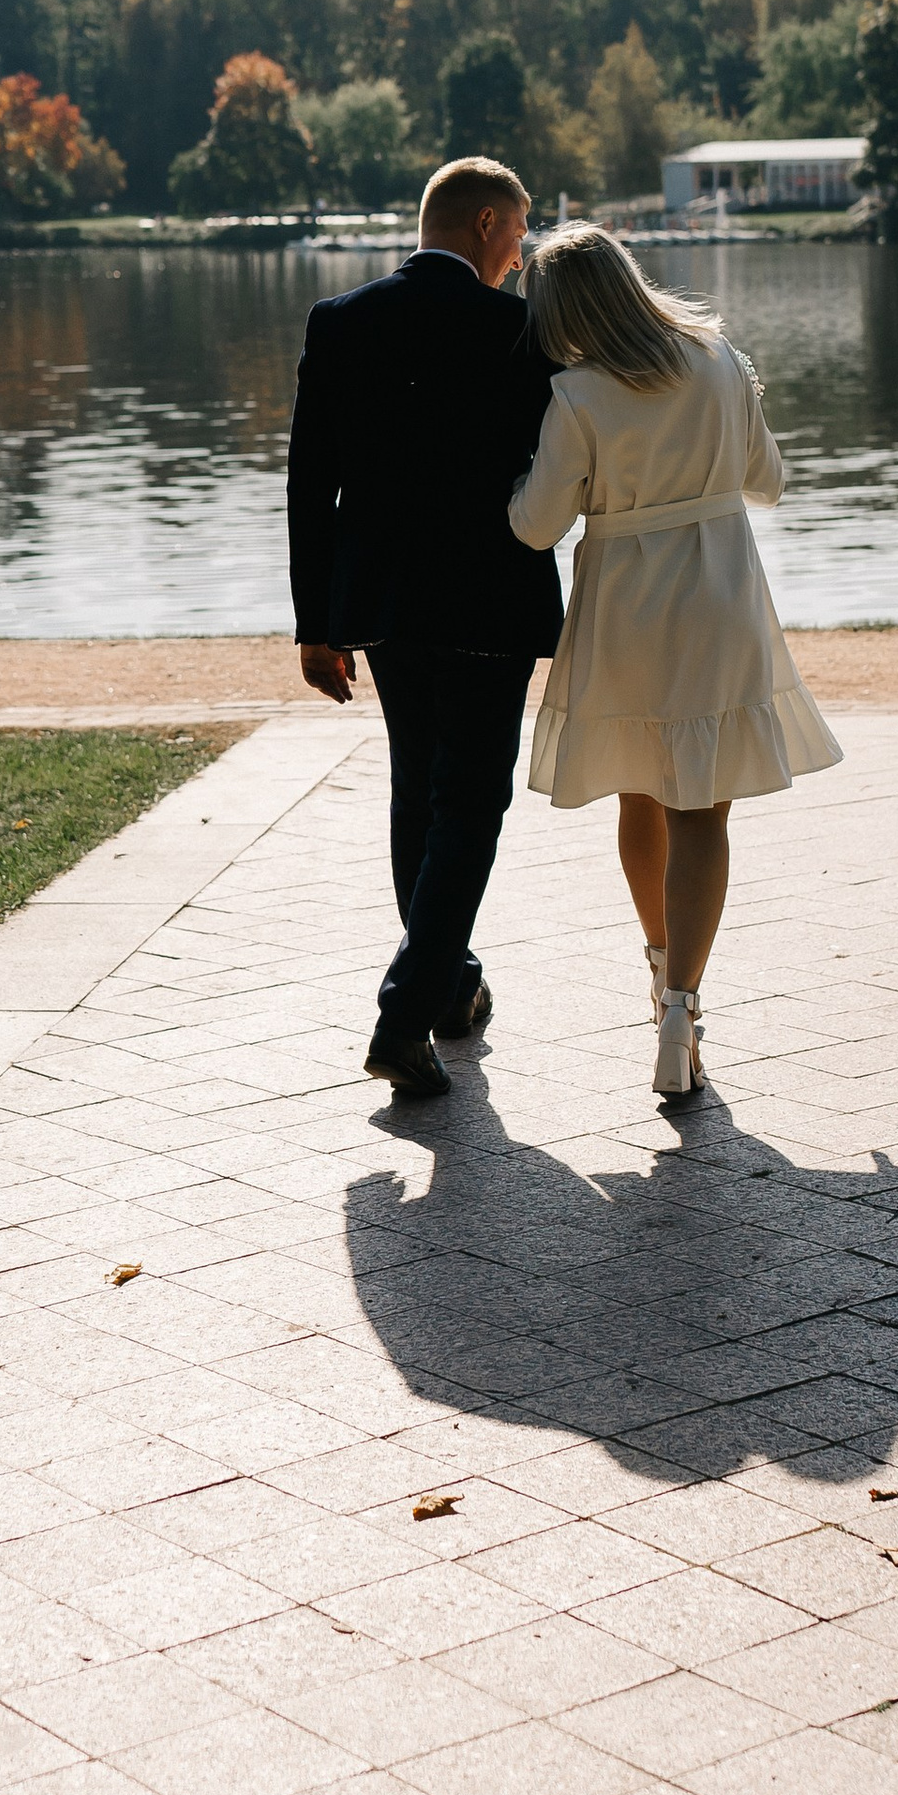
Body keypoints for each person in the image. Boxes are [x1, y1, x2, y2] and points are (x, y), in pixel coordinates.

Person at [507, 222, 840, 1103]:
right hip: (719, 597)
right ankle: (684, 1006)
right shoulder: (721, 361)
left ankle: (658, 970)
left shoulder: (575, 394)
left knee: (640, 791)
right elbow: (768, 481)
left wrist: (514, 484)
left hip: (625, 605)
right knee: (705, 812)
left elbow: (536, 526)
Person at [287, 155, 563, 1100]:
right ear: (486, 223)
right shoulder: (521, 330)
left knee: (420, 787)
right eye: (519, 233)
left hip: (385, 607)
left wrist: (315, 626)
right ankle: (405, 1016)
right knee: (472, 803)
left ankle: (450, 987)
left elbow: (307, 487)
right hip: (488, 599)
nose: (521, 255)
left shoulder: (341, 321)